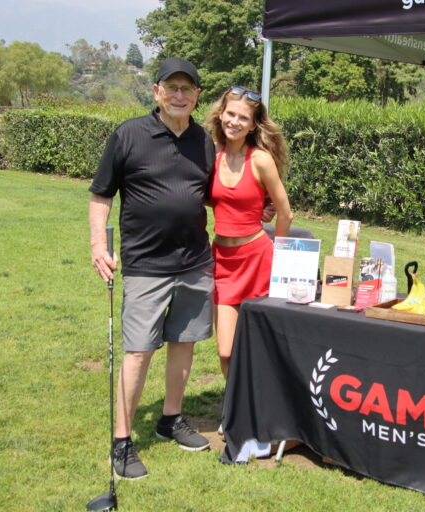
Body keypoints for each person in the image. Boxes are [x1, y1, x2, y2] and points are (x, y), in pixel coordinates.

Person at [89, 57, 215, 480]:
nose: (180, 95)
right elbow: (101, 194)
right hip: (146, 265)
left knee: (185, 342)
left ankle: (170, 419)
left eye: (188, 89)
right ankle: (122, 441)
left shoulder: (204, 141)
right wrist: (96, 244)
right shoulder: (129, 134)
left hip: (195, 261)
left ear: (197, 95)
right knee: (139, 351)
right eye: (172, 88)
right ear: (157, 91)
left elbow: (213, 194)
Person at [203, 86, 293, 380]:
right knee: (226, 351)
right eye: (230, 114)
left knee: (262, 346)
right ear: (220, 114)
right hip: (223, 262)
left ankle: (262, 407)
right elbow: (207, 195)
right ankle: (233, 413)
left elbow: (285, 212)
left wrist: (279, 260)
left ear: (253, 124)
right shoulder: (210, 153)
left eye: (243, 117)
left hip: (258, 261)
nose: (234, 121)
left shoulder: (261, 160)